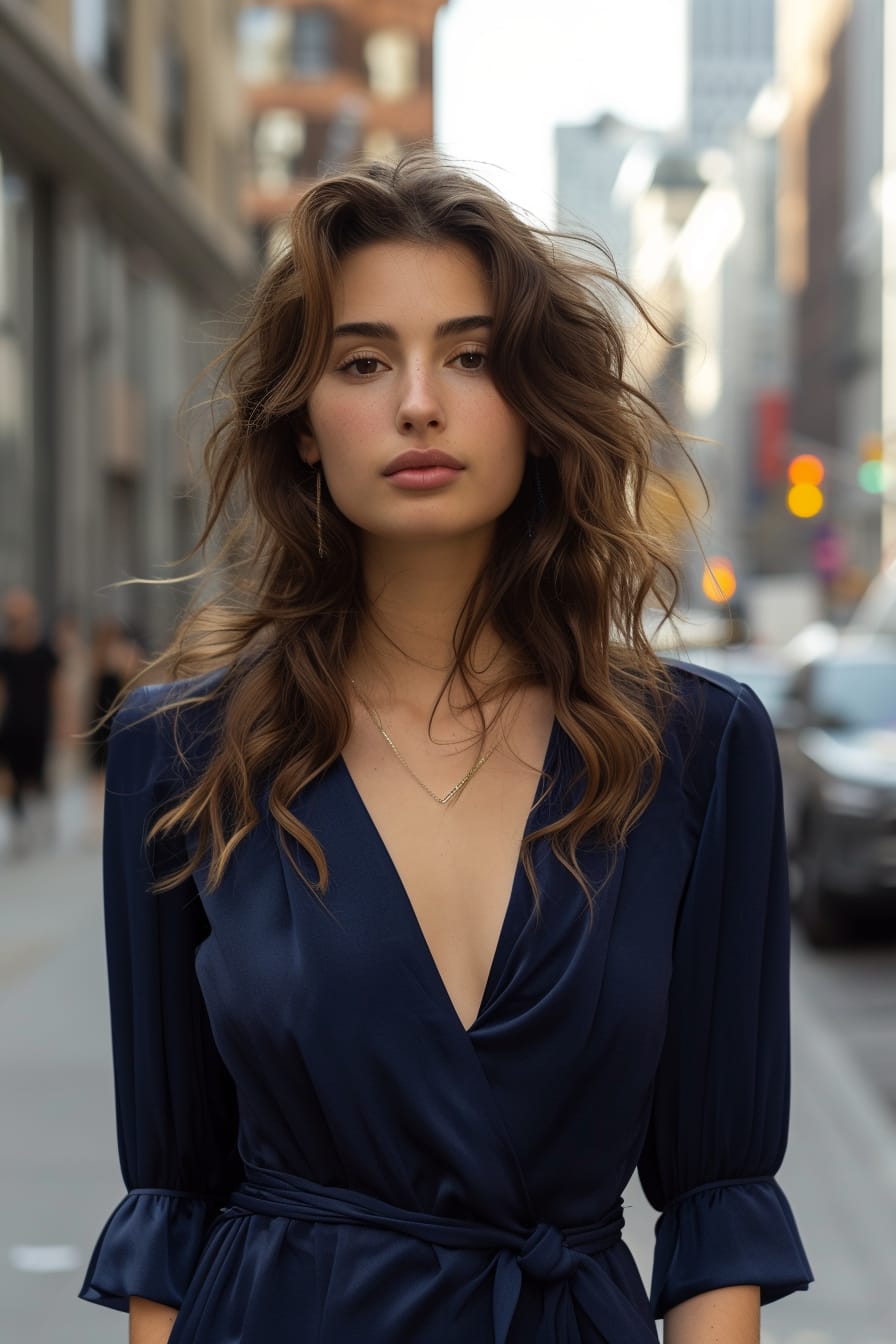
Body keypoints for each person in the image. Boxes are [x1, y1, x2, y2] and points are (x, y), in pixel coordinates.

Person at [77, 152, 812, 1343]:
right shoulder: (183, 754)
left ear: (533, 403)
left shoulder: (694, 747)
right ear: (304, 427)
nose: (418, 401)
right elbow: (171, 1201)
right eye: (362, 362)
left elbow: (715, 1207)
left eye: (469, 357)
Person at [0, 587, 60, 857]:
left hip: (40, 721)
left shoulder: (45, 651)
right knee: (12, 776)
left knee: (37, 774)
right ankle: (19, 828)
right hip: (11, 723)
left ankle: (41, 822)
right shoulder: (5, 653)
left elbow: (58, 688)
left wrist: (64, 722)